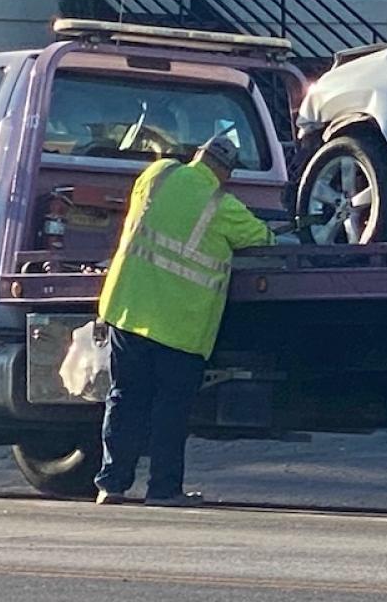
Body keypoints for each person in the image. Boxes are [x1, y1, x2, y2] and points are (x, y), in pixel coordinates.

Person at [93, 131, 275, 507]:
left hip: (129, 307)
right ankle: (163, 490)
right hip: (178, 324)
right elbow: (262, 239)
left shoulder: (157, 174)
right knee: (169, 410)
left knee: (124, 398)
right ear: (227, 172)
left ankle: (111, 485)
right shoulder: (223, 206)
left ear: (199, 154)